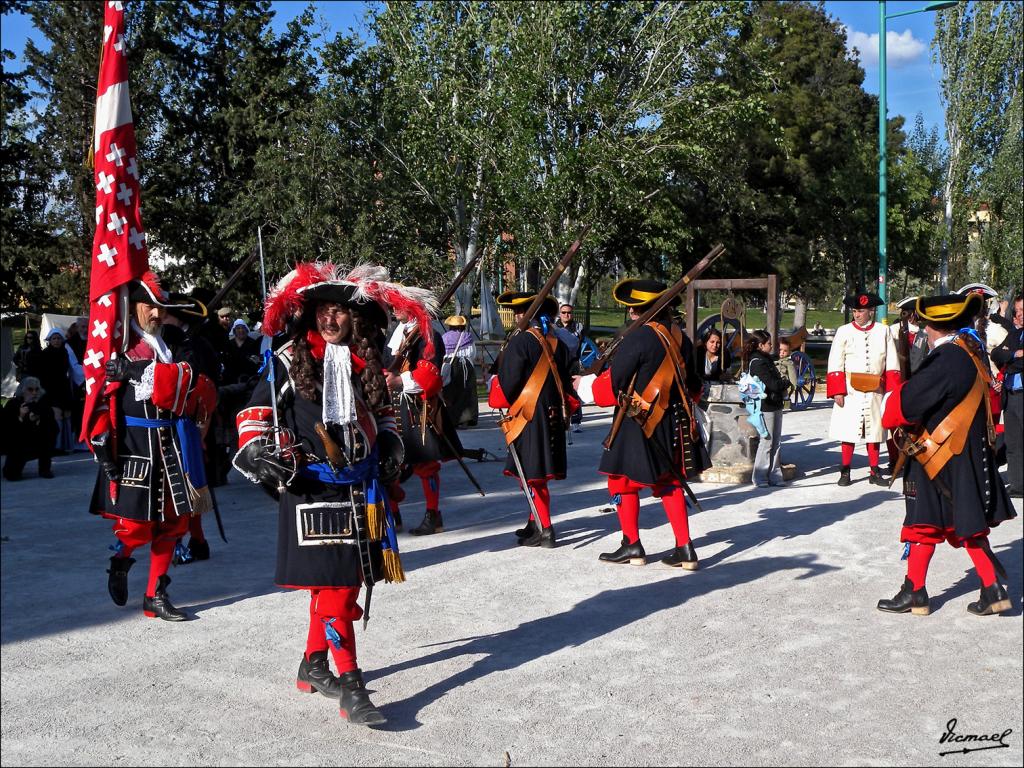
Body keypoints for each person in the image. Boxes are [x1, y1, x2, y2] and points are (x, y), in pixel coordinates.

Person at [233, 261, 409, 726]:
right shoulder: (288, 359)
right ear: (311, 314)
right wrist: (256, 450)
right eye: (324, 310)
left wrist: (391, 442)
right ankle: (351, 685)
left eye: (340, 311)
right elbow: (252, 414)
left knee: (343, 583)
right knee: (335, 588)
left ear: (355, 317)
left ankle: (312, 665)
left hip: (361, 490)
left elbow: (383, 414)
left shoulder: (365, 359)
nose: (331, 319)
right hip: (311, 489)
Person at [87, 272, 216, 621]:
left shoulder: (171, 342)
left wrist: (137, 371)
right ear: (133, 306)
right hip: (134, 445)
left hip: (172, 443)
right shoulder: (118, 345)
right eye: (150, 306)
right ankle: (120, 560)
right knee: (137, 527)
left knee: (174, 523)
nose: (157, 314)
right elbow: (99, 398)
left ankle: (155, 594)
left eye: (162, 307)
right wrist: (101, 444)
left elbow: (189, 378)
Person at [879, 293, 1016, 616]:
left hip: (937, 454)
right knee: (960, 520)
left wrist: (890, 399)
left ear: (935, 326)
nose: (924, 330)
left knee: (923, 522)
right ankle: (990, 589)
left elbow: (903, 407)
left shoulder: (946, 358)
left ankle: (916, 591)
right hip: (959, 453)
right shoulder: (969, 352)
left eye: (926, 325)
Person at [586, 279, 710, 567]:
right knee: (670, 482)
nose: (631, 313)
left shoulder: (637, 338)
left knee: (620, 481)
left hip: (638, 422)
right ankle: (685, 548)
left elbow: (615, 386)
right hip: (674, 422)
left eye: (634, 309)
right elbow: (694, 384)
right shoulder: (680, 337)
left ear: (641, 310)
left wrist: (588, 386)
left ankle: (631, 544)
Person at [489, 291, 578, 548]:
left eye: (520, 311)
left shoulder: (521, 342)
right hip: (551, 413)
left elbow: (509, 384)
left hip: (529, 415)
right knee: (532, 472)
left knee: (533, 475)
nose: (517, 315)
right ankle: (534, 520)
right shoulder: (556, 342)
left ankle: (546, 529)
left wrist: (495, 383)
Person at [385, 296, 464, 536]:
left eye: (399, 304)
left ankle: (433, 515)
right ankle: (393, 514)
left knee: (425, 464)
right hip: (393, 404)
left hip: (418, 407)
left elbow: (430, 375)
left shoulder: (430, 336)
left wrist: (400, 381)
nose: (394, 308)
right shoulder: (397, 333)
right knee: (390, 461)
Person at [162, 292, 221, 564]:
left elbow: (206, 390)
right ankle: (194, 541)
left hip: (190, 425)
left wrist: (199, 432)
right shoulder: (162, 343)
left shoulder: (198, 347)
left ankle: (189, 541)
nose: (161, 318)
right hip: (165, 423)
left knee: (188, 486)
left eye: (166, 314)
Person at [826, 291, 901, 486]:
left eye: (860, 311)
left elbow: (892, 362)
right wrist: (838, 391)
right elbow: (835, 361)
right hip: (851, 391)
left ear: (871, 311)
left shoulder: (883, 331)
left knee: (874, 432)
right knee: (848, 431)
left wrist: (891, 391)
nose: (857, 314)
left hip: (876, 389)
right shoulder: (844, 331)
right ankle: (845, 471)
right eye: (855, 311)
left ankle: (874, 472)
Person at [746, 331, 791, 486]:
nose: (772, 346)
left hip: (776, 403)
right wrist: (786, 383)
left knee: (776, 442)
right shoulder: (758, 362)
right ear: (760, 345)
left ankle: (775, 475)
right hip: (766, 406)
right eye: (769, 343)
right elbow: (773, 384)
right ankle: (759, 477)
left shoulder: (767, 359)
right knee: (767, 442)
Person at [991, 292, 1023, 497]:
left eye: (1023, 310)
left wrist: (1009, 359)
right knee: (1013, 442)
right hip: (1011, 395)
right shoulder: (1014, 334)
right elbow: (996, 354)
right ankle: (1017, 485)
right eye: (1017, 310)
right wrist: (1013, 354)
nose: (1019, 314)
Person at [2, 377, 58, 481]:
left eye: (37, 389)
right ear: (23, 390)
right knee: (11, 475)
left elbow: (54, 428)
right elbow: (7, 429)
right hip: (18, 443)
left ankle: (45, 469)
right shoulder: (13, 404)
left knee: (48, 435)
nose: (34, 393)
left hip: (38, 441)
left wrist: (38, 421)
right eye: (30, 389)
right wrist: (21, 417)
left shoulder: (43, 405)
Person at [440, 315, 479, 428]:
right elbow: (472, 353)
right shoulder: (467, 337)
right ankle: (467, 418)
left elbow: (443, 353)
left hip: (451, 366)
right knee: (467, 392)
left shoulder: (445, 337)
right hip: (466, 367)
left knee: (450, 392)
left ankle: (452, 418)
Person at [555, 303, 585, 431]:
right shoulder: (554, 326)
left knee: (574, 391)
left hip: (573, 363)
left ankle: (576, 420)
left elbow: (575, 343)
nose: (566, 315)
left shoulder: (578, 326)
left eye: (569, 312)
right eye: (564, 312)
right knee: (558, 390)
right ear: (559, 314)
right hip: (559, 363)